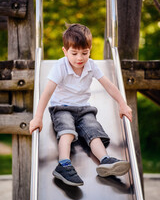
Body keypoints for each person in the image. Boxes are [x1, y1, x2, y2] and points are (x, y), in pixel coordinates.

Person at [29, 23, 132, 187]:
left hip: (84, 109)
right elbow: (47, 93)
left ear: (90, 50)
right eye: (74, 53)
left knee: (93, 131)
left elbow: (109, 85)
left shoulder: (91, 66)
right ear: (65, 51)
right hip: (61, 108)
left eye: (85, 53)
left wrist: (122, 104)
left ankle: (105, 160)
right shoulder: (60, 67)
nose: (80, 58)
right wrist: (38, 117)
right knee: (67, 132)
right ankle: (64, 164)